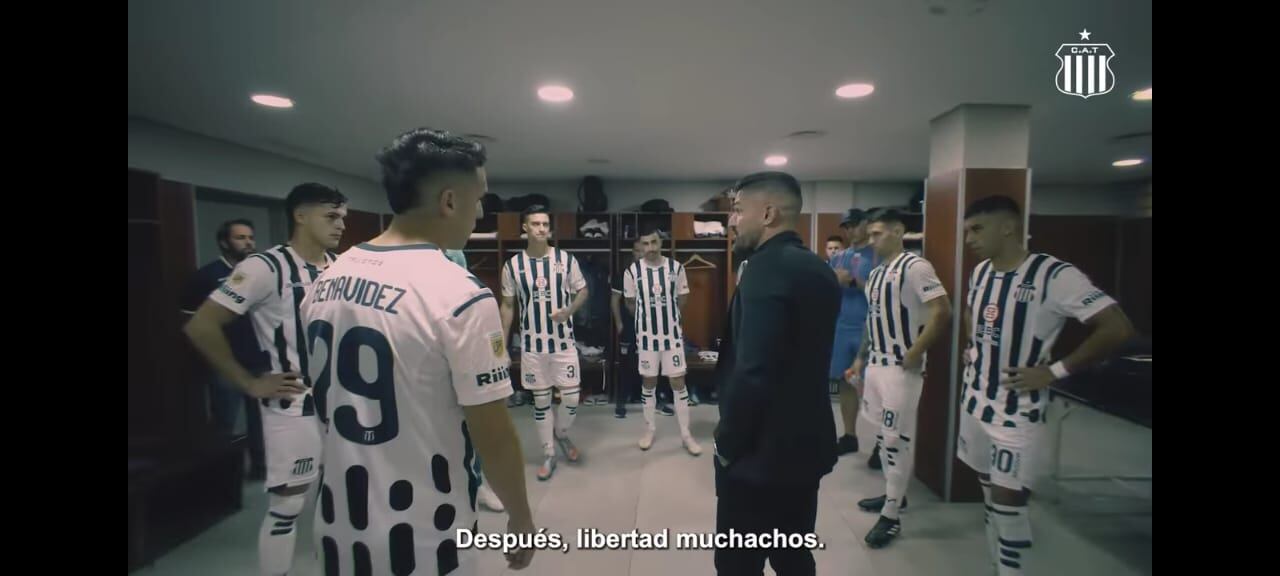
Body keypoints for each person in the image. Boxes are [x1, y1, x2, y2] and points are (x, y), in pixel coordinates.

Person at [303, 128, 536, 575]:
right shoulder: (459, 293)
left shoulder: (327, 278)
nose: (482, 212)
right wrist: (521, 517)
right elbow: (492, 432)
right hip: (427, 536)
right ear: (449, 201)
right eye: (479, 198)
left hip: (336, 528)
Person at [958, 196, 1135, 575]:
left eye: (977, 229)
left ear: (1007, 227)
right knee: (989, 490)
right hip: (975, 399)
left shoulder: (1054, 275)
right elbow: (973, 312)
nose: (969, 238)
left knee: (1009, 500)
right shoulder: (981, 273)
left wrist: (1054, 371)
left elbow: (1117, 327)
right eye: (967, 230)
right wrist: (973, 346)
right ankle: (999, 561)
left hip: (1017, 409)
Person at [183, 183, 347, 575]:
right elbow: (201, 326)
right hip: (294, 401)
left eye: (343, 216)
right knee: (288, 505)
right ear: (300, 216)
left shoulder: (342, 266)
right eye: (331, 216)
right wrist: (250, 382)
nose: (340, 224)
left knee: (338, 500)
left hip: (343, 402)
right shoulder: (264, 267)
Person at [713, 171, 841, 576]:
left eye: (737, 210)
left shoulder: (762, 270)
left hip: (759, 457)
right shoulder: (819, 269)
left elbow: (754, 372)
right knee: (793, 556)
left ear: (767, 213)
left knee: (737, 564)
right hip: (807, 447)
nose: (732, 221)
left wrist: (727, 444)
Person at [849, 208, 953, 549]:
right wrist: (860, 357)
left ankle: (891, 515)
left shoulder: (916, 266)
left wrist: (916, 350)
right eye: (870, 233)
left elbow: (942, 311)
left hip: (900, 368)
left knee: (895, 439)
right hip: (877, 365)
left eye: (878, 233)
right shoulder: (878, 274)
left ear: (897, 231)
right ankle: (896, 495)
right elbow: (871, 320)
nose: (871, 239)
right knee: (882, 433)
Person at [500, 205, 591, 481]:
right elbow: (507, 306)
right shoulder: (513, 265)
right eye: (536, 224)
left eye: (545, 224)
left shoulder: (565, 260)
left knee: (572, 399)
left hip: (563, 344)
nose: (541, 228)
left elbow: (583, 291)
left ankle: (561, 433)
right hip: (532, 347)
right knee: (540, 403)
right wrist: (501, 348)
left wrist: (568, 311)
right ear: (525, 228)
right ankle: (549, 453)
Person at [182, 218, 266, 478]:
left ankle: (260, 469)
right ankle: (221, 477)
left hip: (259, 359)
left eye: (250, 237)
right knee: (224, 424)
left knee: (261, 422)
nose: (248, 242)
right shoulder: (206, 276)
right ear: (224, 242)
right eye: (241, 237)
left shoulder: (259, 274)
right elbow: (190, 321)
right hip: (226, 364)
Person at [624, 227, 699, 455]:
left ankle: (686, 434)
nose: (651, 248)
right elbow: (630, 303)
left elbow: (682, 298)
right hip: (646, 339)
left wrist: (668, 319)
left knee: (678, 382)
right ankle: (649, 429)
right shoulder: (632, 272)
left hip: (672, 337)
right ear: (640, 247)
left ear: (661, 243)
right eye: (645, 244)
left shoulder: (676, 268)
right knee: (649, 383)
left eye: (654, 242)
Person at [443, 248, 506, 512]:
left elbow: (490, 328)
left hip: (467, 361)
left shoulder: (471, 287)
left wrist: (499, 358)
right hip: (429, 363)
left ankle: (478, 483)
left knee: (474, 426)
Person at [827, 209, 879, 462]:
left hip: (867, 327)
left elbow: (882, 290)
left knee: (874, 386)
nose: (849, 231)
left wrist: (853, 282)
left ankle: (882, 443)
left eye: (854, 225)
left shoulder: (879, 255)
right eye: (846, 226)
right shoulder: (840, 257)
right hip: (841, 325)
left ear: (867, 225)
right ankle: (849, 436)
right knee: (845, 382)